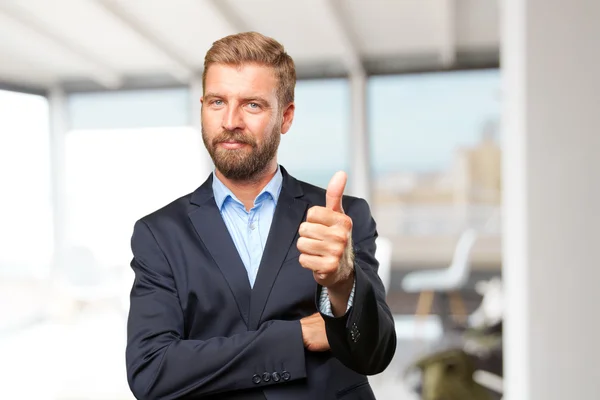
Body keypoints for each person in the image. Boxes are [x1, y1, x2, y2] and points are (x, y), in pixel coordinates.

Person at [125, 32, 396, 400]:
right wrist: (297, 335)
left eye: (252, 105)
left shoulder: (341, 219)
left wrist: (342, 282)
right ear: (202, 106)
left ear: (285, 117)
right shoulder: (159, 234)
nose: (230, 120)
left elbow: (375, 353)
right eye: (218, 102)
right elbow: (151, 372)